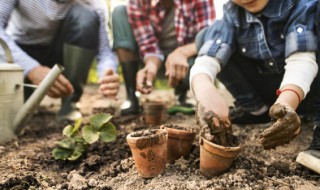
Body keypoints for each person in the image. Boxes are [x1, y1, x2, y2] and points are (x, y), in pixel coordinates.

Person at [191, 0, 320, 173]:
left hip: (307, 90)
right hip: (272, 96)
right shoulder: (232, 13)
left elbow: (302, 60)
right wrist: (205, 91)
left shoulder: (301, 5)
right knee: (205, 37)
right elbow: (207, 60)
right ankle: (256, 110)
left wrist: (287, 101)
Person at [0, 0, 120, 122]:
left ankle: (70, 103)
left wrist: (108, 72)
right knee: (14, 113)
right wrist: (31, 68)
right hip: (22, 53)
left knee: (85, 16)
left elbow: (104, 51)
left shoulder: (95, 3)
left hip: (60, 54)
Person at [111, 0, 216, 115]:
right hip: (154, 61)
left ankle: (182, 94)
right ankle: (131, 96)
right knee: (119, 12)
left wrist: (182, 53)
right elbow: (148, 45)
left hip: (187, 62)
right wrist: (151, 65)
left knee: (207, 53)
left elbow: (208, 38)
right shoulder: (137, 2)